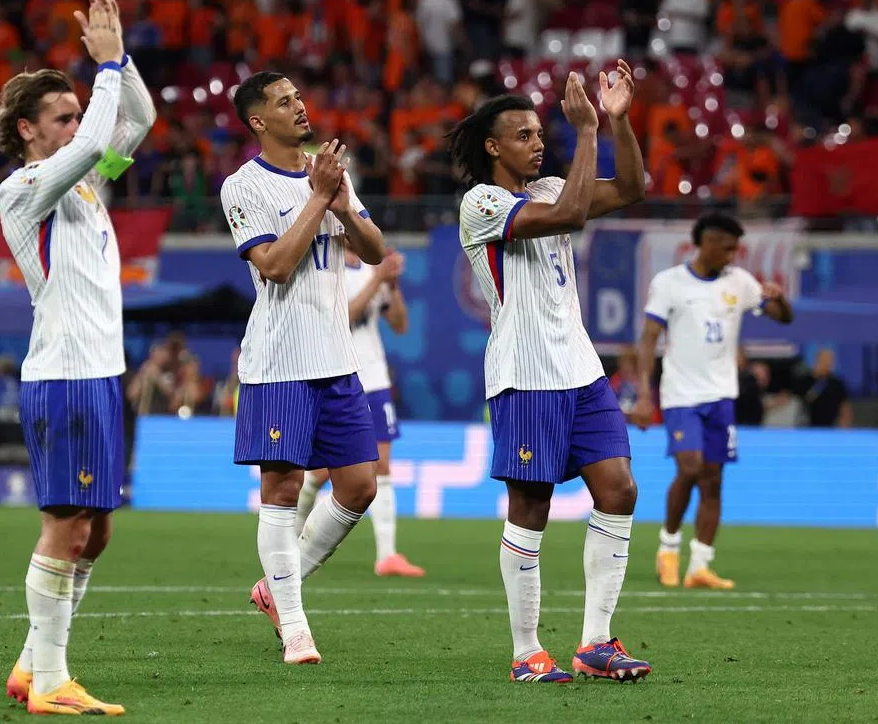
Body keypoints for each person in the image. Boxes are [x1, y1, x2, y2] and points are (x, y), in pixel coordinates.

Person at [450, 60, 651, 684]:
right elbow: (568, 216)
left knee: (618, 490)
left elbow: (633, 189)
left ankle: (596, 643)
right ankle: (526, 651)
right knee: (531, 505)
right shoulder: (480, 203)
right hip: (526, 372)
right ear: (493, 147)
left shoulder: (548, 189)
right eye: (525, 136)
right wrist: (586, 131)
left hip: (580, 368)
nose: (539, 144)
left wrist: (617, 121)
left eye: (542, 133)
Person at [0, 0, 154, 716]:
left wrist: (121, 57)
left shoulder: (88, 185)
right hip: (63, 374)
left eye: (74, 113)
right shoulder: (25, 187)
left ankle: (32, 665)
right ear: (29, 130)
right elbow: (94, 134)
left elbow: (137, 119)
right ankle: (53, 681)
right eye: (58, 116)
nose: (76, 125)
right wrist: (106, 65)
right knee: (68, 526)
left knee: (98, 534)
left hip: (99, 375)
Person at [222, 70, 387, 665]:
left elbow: (372, 251)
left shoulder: (326, 169)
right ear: (258, 121)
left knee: (359, 486)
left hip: (336, 359)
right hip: (279, 361)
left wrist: (343, 202)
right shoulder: (243, 187)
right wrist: (319, 200)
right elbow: (275, 267)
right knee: (283, 488)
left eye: (299, 97)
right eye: (283, 101)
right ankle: (295, 628)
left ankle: (275, 589)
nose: (300, 106)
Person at [632, 214, 793, 591]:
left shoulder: (739, 282)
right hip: (681, 395)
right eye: (727, 246)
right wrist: (643, 393)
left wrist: (779, 298)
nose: (733, 254)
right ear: (705, 242)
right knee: (690, 468)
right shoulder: (669, 283)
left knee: (714, 480)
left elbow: (782, 319)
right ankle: (668, 549)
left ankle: (700, 566)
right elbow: (648, 338)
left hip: (721, 395)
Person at [295, 245, 425, 578]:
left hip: (375, 377)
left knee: (382, 463)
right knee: (325, 471)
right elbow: (342, 319)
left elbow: (399, 324)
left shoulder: (372, 270)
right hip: (340, 376)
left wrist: (391, 285)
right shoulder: (329, 270)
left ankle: (387, 555)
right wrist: (377, 278)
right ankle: (292, 538)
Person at [795, 348, 851, 428]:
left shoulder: (837, 383)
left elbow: (844, 406)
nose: (828, 363)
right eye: (825, 360)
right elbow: (801, 401)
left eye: (831, 360)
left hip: (830, 428)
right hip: (807, 427)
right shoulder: (805, 381)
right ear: (818, 360)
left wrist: (845, 425)